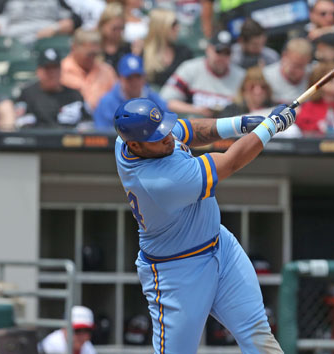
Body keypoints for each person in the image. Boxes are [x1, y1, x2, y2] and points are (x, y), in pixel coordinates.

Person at [112, 97, 296, 353]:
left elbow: (188, 130)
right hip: (176, 270)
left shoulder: (133, 139)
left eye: (164, 130)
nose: (167, 138)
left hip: (221, 247)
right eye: (158, 137)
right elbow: (230, 161)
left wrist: (240, 124)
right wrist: (271, 127)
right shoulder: (162, 182)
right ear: (135, 144)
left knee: (257, 333)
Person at [160, 30, 245, 118]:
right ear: (208, 49)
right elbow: (166, 101)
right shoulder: (189, 69)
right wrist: (197, 110)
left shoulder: (241, 76)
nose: (222, 57)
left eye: (227, 53)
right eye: (218, 51)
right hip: (193, 128)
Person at [15, 48, 93, 130]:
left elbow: (88, 122)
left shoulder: (75, 95)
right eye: (47, 68)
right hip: (39, 140)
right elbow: (21, 123)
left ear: (60, 70)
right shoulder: (27, 94)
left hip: (69, 140)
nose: (51, 73)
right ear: (38, 71)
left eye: (55, 68)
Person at [94, 54, 166, 131]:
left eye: (138, 76)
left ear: (144, 77)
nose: (134, 82)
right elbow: (103, 135)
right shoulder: (107, 102)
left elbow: (165, 128)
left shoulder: (155, 100)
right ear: (120, 78)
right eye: (129, 78)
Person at [61, 29, 118, 111]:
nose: (93, 58)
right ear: (74, 47)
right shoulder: (60, 71)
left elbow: (116, 99)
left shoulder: (107, 71)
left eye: (95, 54)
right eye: (89, 54)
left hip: (103, 120)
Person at [0, 0, 74, 45]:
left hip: (48, 42)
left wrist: (54, 28)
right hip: (15, 44)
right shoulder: (5, 2)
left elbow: (73, 21)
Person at [142, 7, 193, 88]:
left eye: (177, 24)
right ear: (160, 27)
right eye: (173, 24)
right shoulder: (143, 53)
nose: (177, 28)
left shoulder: (184, 52)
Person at [263, 37, 313, 105]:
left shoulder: (313, 74)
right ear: (284, 56)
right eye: (295, 65)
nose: (299, 72)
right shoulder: (266, 76)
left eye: (302, 67)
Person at [98, 2, 132, 71]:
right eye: (114, 29)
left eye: (121, 28)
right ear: (103, 25)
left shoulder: (127, 48)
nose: (118, 32)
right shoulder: (94, 46)